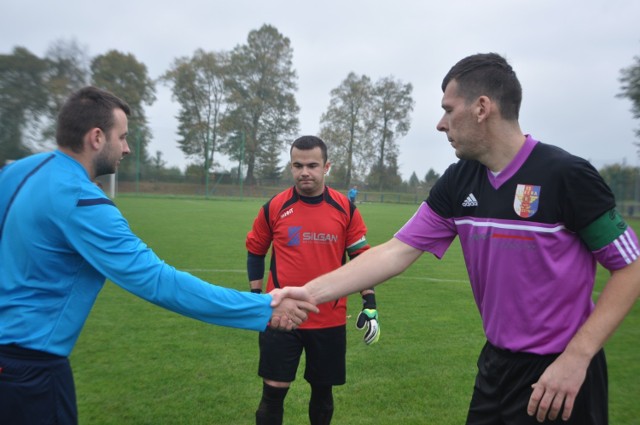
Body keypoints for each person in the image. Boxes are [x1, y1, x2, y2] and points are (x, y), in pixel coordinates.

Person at [276, 53, 640, 424]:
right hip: (495, 367)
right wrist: (309, 293)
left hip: (560, 373)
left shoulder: (567, 175)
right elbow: (395, 252)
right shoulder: (458, 181)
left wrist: (578, 356)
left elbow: (631, 268)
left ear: (482, 107)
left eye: (449, 110)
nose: (440, 123)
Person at [0, 86, 317, 425]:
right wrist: (262, 308)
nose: (126, 147)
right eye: (121, 137)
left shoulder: (17, 172)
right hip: (28, 371)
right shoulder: (81, 201)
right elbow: (158, 282)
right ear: (96, 137)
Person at [246, 135, 380, 425]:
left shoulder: (345, 208)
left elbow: (361, 259)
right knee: (272, 393)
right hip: (282, 318)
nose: (304, 172)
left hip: (328, 319)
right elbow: (255, 252)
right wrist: (257, 298)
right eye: (297, 165)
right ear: (291, 166)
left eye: (312, 165)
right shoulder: (274, 207)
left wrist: (369, 302)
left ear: (326, 167)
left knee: (323, 394)